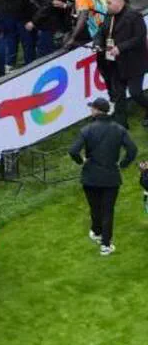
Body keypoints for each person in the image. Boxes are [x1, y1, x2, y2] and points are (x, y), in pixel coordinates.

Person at [69, 97, 138, 255]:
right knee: (107, 210)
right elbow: (132, 150)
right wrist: (123, 164)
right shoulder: (119, 129)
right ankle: (105, 245)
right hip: (111, 176)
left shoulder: (86, 130)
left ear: (96, 110)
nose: (91, 110)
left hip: (90, 175)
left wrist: (81, 162)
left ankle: (97, 232)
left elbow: (73, 151)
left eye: (92, 108)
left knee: (95, 207)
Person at [94, 0, 148, 127]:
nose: (107, 5)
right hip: (115, 63)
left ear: (119, 2)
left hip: (134, 62)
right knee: (118, 95)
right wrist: (97, 43)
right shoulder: (109, 16)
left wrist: (120, 47)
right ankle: (121, 125)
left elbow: (139, 38)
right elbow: (101, 32)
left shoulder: (134, 16)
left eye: (109, 3)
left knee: (135, 93)